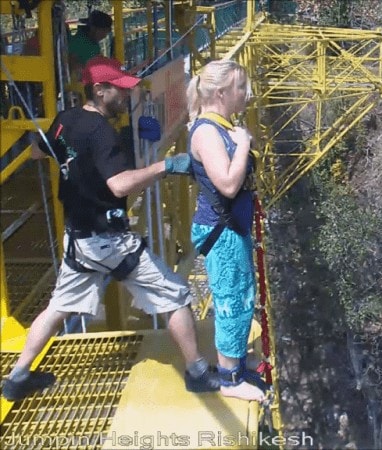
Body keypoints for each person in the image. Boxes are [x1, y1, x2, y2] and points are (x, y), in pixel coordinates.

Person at [1, 56, 221, 401]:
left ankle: (16, 380)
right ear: (99, 90)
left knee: (59, 306)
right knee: (174, 295)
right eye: (119, 90)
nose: (126, 97)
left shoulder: (65, 120)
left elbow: (36, 153)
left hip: (78, 236)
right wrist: (166, 165)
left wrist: (74, 164)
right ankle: (196, 372)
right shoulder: (101, 131)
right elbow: (119, 185)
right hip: (109, 240)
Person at [186, 59, 265, 402]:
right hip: (222, 228)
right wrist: (244, 142)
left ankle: (234, 361)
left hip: (232, 226)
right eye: (239, 87)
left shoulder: (220, 124)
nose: (246, 94)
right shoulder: (207, 131)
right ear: (221, 92)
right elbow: (228, 184)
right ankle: (230, 378)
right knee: (231, 298)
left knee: (242, 294)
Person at [67, 10, 112, 76]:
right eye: (103, 31)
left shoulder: (94, 43)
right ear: (93, 28)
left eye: (107, 32)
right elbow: (74, 66)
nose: (105, 35)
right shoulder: (77, 41)